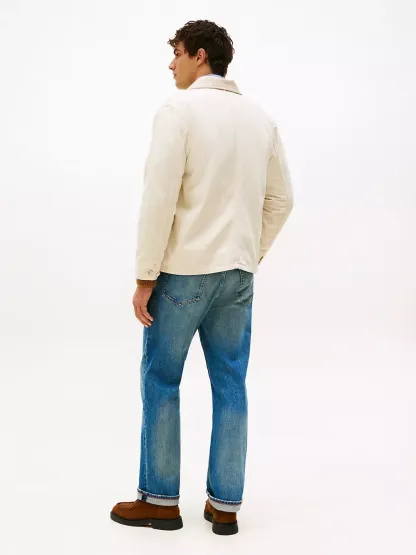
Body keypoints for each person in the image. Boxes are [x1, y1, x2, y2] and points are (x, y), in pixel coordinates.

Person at [110, 19, 294, 535]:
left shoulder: (178, 112)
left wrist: (145, 276)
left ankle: (160, 501)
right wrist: (250, 253)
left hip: (183, 274)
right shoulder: (260, 119)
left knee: (161, 379)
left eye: (177, 53)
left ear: (200, 56)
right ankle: (225, 506)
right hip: (237, 273)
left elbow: (159, 198)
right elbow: (282, 200)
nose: (171, 64)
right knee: (231, 383)